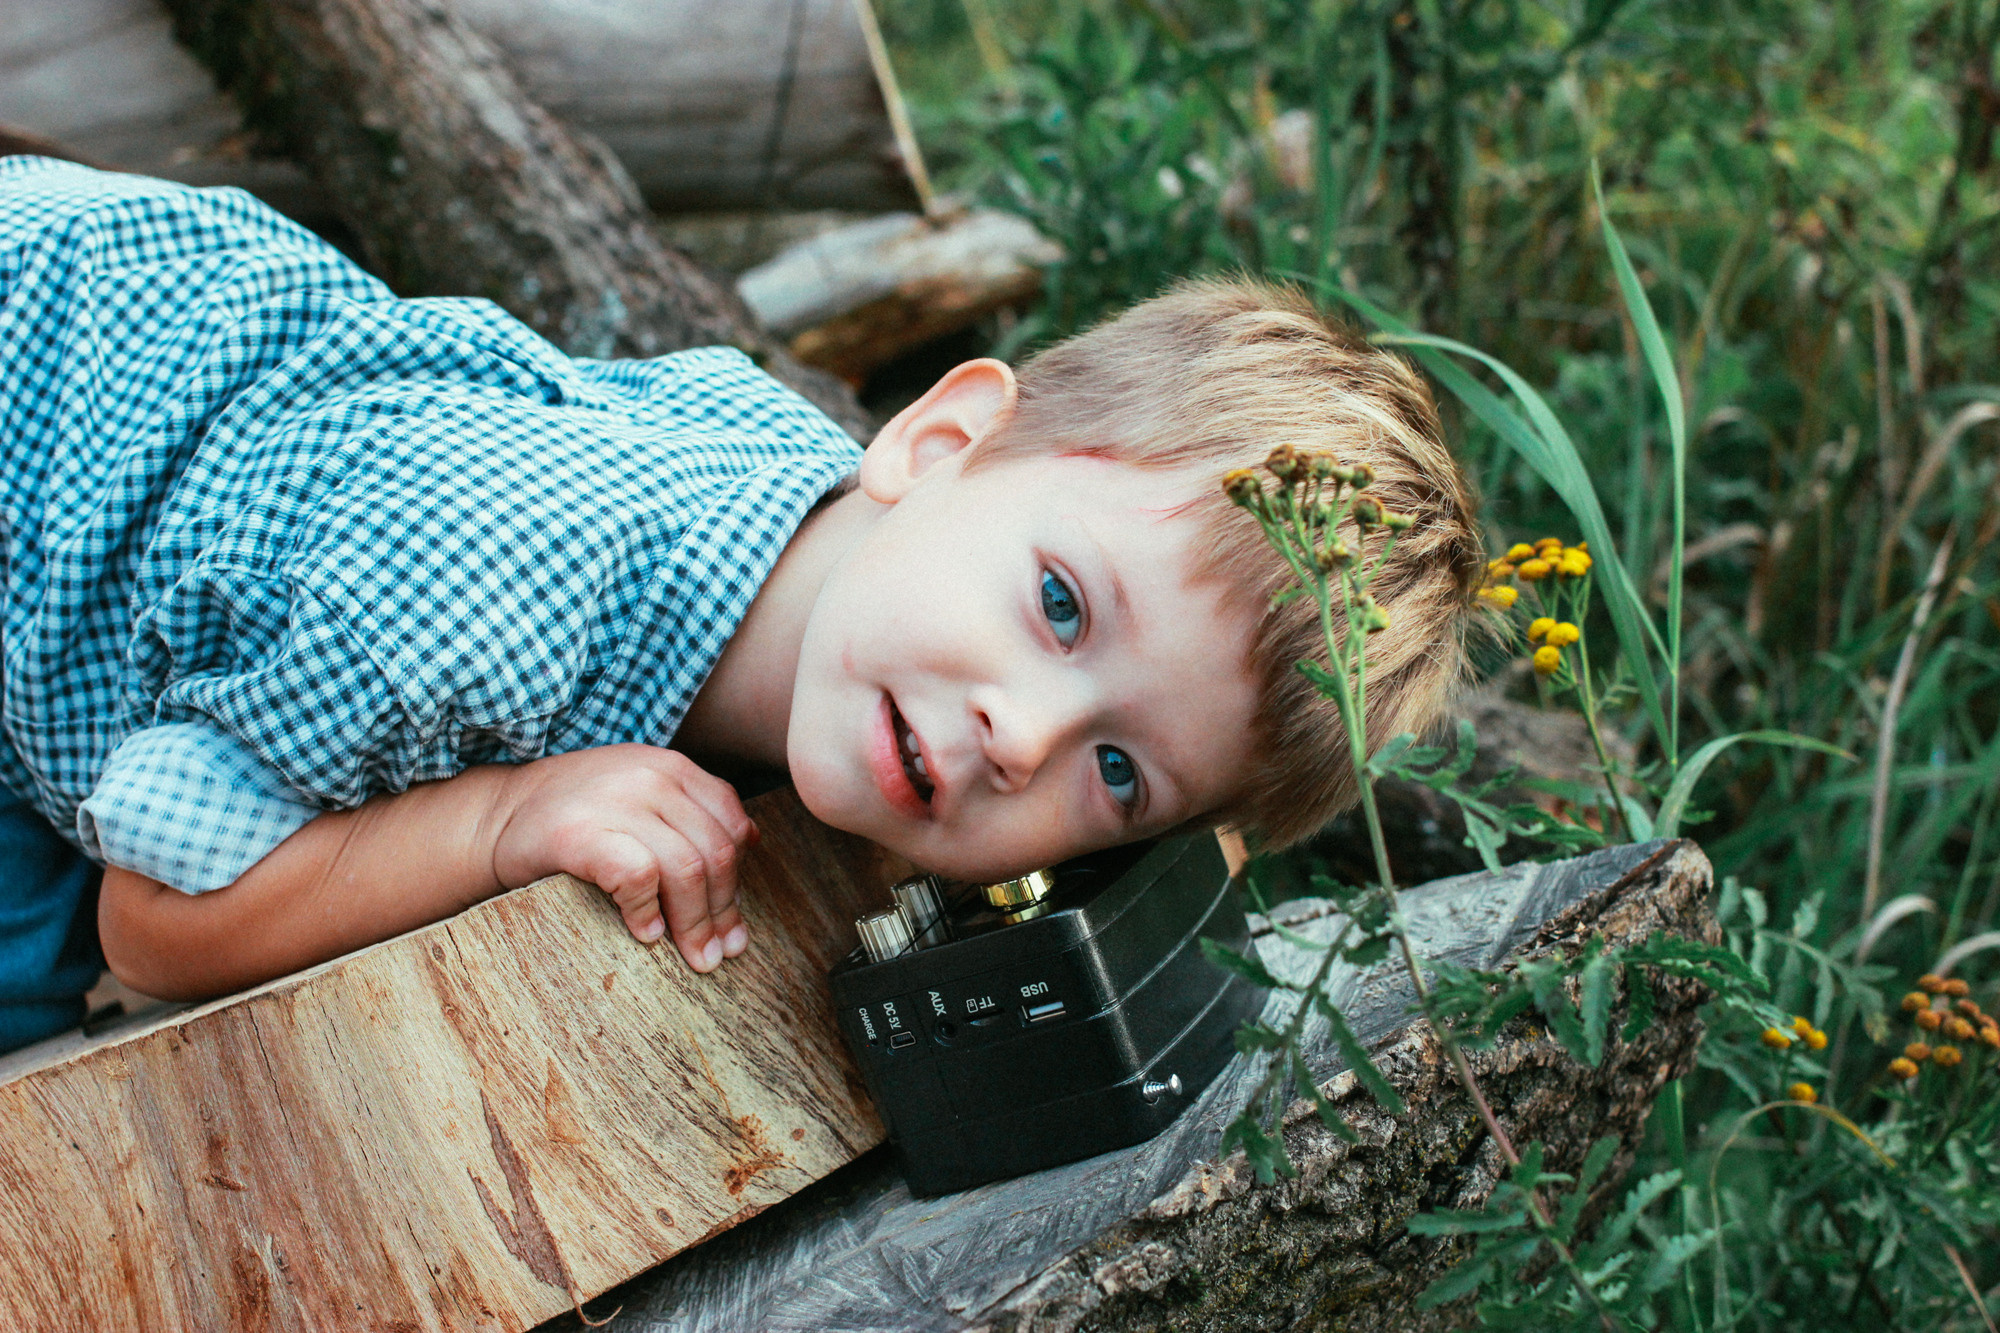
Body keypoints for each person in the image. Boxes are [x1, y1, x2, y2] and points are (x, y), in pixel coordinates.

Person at [0, 157, 1482, 1051]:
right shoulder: (482, 596)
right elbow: (157, 921)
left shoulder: (844, 555)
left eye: (1118, 770)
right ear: (937, 441)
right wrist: (503, 820)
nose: (1022, 738)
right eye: (1058, 606)